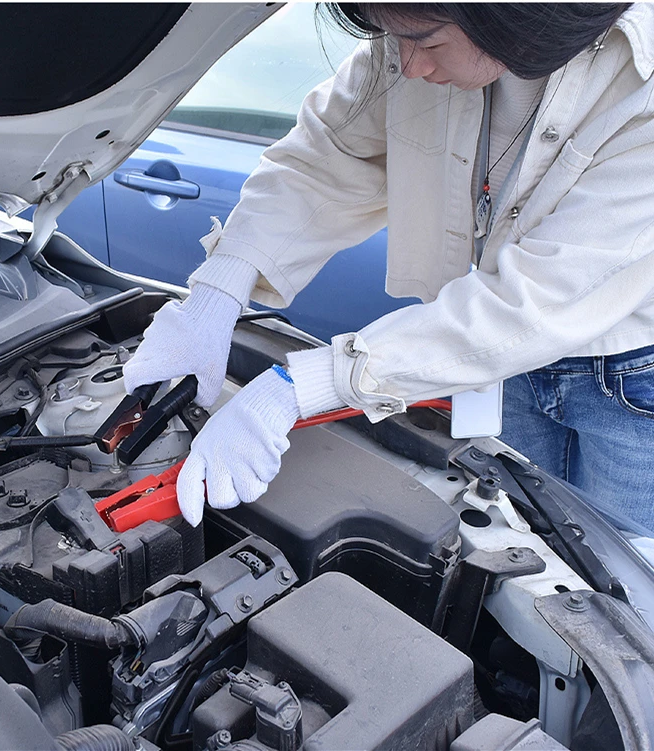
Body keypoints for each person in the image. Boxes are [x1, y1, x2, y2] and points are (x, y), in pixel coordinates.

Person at [124, 3, 654, 533]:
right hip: (497, 364)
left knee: (632, 576)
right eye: (390, 37)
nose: (408, 65)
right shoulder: (412, 29)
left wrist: (297, 387)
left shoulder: (642, 77)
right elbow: (323, 162)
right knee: (531, 550)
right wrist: (215, 296)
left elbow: (538, 301)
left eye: (427, 42)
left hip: (631, 378)